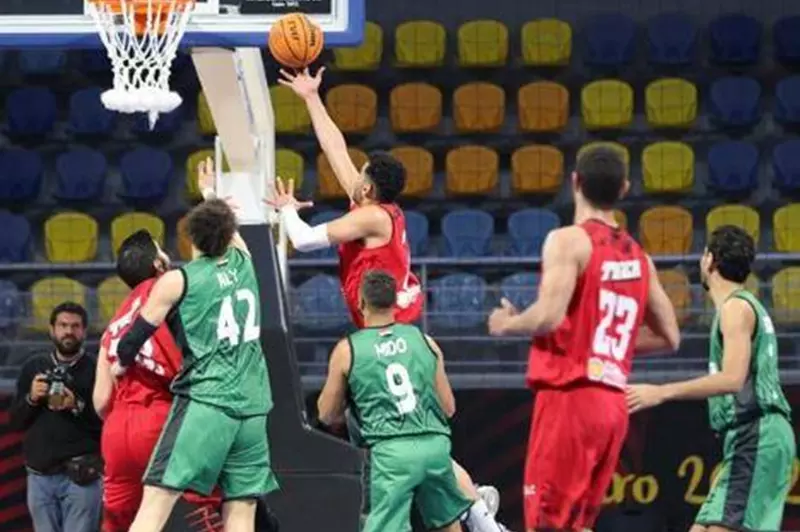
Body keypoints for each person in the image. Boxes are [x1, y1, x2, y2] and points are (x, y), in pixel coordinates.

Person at [270, 67, 507, 532]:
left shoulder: (372, 218)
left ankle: (479, 514)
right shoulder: (376, 208)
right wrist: (311, 98)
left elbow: (306, 239)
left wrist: (286, 211)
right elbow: (336, 150)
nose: (353, 172)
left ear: (367, 188)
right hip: (398, 330)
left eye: (360, 174)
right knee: (421, 438)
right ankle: (476, 509)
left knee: (402, 438)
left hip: (391, 333)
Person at [487, 146, 681, 532]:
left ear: (575, 181)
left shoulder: (569, 241)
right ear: (624, 189)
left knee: (546, 523)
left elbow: (549, 315)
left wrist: (505, 324)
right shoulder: (639, 257)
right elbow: (670, 337)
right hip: (612, 405)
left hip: (570, 397)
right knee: (578, 523)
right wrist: (598, 342)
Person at [113, 192, 279, 532]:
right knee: (241, 508)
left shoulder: (178, 281)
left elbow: (133, 337)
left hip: (207, 402)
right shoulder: (245, 262)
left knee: (156, 498)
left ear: (190, 237)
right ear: (228, 233)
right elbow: (231, 232)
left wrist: (120, 365)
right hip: (253, 406)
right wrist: (212, 197)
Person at [627, 225, 796, 532]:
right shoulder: (740, 306)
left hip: (758, 434)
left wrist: (661, 392)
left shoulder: (735, 308)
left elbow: (732, 379)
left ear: (709, 261)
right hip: (748, 437)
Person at [317, 269, 471, 532]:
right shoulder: (425, 341)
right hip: (434, 447)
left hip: (391, 454)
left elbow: (326, 414)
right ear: (395, 302)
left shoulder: (347, 350)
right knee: (447, 523)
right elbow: (448, 407)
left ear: (361, 302)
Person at [92, 229, 223, 532]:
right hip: (161, 417)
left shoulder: (113, 324)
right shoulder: (171, 293)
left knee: (118, 523)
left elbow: (100, 400)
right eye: (161, 250)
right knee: (207, 509)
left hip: (117, 431)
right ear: (158, 264)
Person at [9, 302, 103, 532]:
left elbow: (107, 422)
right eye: (63, 325)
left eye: (75, 326)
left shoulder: (98, 369)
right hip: (40, 477)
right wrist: (32, 398)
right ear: (52, 330)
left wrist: (76, 405)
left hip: (82, 477)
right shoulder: (33, 366)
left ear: (84, 331)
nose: (69, 331)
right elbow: (16, 422)